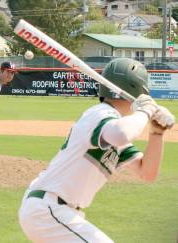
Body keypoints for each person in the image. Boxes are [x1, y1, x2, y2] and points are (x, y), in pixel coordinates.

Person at [18, 58, 175, 243]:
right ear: (138, 90)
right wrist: (145, 111)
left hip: (58, 212)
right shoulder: (101, 113)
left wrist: (157, 133)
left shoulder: (112, 124)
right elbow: (122, 133)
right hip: (48, 209)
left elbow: (147, 172)